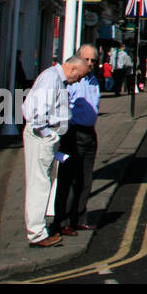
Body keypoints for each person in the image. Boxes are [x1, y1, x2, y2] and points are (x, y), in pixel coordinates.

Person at [21, 54, 91, 247]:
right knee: (39, 185)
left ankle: (38, 231)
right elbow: (36, 111)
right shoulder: (51, 78)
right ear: (73, 69)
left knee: (42, 183)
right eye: (79, 77)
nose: (77, 81)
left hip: (47, 137)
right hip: (41, 137)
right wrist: (48, 135)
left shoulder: (55, 78)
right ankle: (37, 234)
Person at [53, 45, 101, 236]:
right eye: (86, 60)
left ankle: (79, 218)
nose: (90, 64)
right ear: (78, 59)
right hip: (73, 133)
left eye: (93, 61)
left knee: (85, 179)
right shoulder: (72, 81)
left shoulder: (94, 81)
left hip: (90, 133)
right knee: (69, 179)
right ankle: (62, 222)